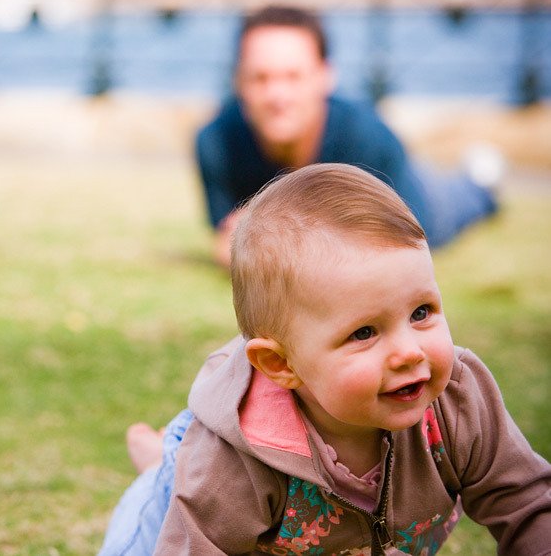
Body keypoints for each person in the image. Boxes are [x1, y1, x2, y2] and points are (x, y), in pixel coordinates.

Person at [99, 163, 551, 555]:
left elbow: (530, 508)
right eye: (364, 333)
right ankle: (168, 468)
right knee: (178, 499)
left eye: (421, 312)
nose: (409, 352)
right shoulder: (236, 459)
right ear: (282, 366)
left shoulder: (458, 403)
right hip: (190, 515)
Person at [196, 5, 501, 267]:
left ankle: (480, 182)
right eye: (260, 77)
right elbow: (228, 245)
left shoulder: (367, 137)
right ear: (238, 81)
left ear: (326, 76)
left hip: (420, 199)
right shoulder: (215, 143)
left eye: (293, 76)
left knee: (457, 203)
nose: (277, 95)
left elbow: (403, 247)